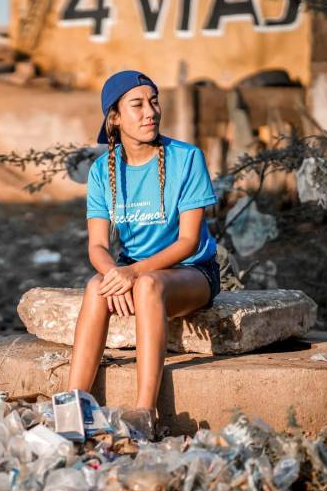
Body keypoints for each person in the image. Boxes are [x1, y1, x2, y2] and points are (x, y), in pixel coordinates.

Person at [67, 70, 220, 440]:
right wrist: (114, 276)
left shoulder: (187, 158)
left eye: (154, 101)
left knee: (149, 285)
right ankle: (71, 405)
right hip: (134, 272)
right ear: (114, 117)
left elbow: (187, 242)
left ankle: (143, 411)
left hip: (191, 273)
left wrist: (132, 273)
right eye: (137, 104)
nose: (150, 111)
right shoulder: (102, 171)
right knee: (94, 286)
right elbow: (98, 247)